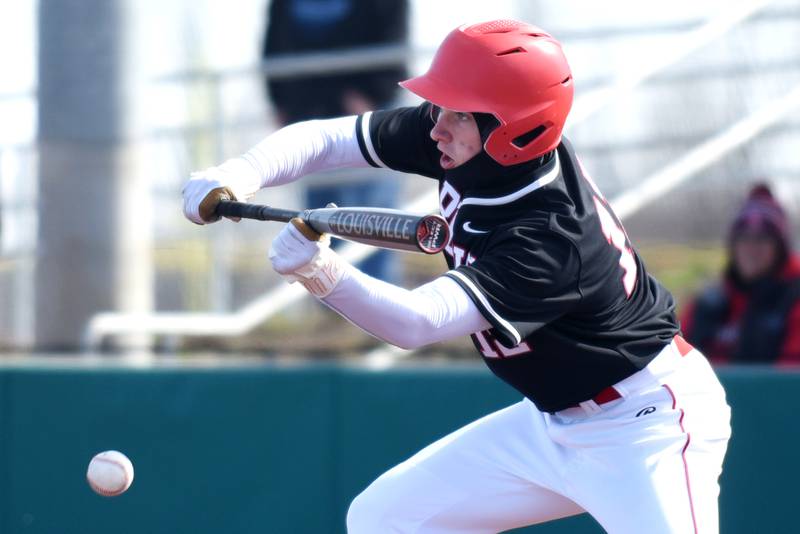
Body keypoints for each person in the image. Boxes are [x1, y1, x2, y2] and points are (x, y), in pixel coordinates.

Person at [184, 20, 731, 534]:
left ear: (515, 129)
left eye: (460, 112)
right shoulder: (471, 141)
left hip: (646, 423)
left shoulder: (553, 236)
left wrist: (322, 273)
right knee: (384, 519)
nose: (437, 124)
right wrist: (238, 173)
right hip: (552, 423)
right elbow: (330, 140)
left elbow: (418, 323)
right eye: (442, 105)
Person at [262, 0, 409, 280]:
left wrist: (372, 96)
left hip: (365, 120)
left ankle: (377, 303)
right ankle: (328, 304)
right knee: (318, 221)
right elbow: (274, 42)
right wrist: (281, 100)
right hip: (309, 117)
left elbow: (393, 39)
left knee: (375, 220)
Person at [681, 184, 800, 365]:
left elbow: (790, 379)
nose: (751, 248)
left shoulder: (793, 300)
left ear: (780, 248)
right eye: (743, 238)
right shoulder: (707, 304)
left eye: (762, 239)